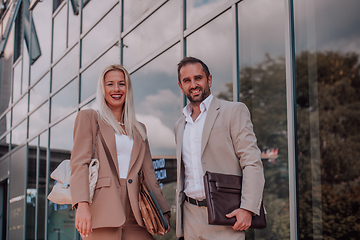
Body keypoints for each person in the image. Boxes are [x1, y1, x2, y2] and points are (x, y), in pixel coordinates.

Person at [70, 64, 171, 239]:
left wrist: (164, 211)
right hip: (102, 209)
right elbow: (79, 164)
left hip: (137, 212)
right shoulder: (89, 118)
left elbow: (149, 175)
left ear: (128, 88)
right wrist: (82, 205)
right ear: (102, 88)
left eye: (121, 84)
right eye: (110, 84)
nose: (116, 89)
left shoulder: (140, 129)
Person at [174, 57, 265, 240]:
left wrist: (247, 208)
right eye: (187, 80)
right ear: (181, 86)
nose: (193, 84)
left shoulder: (233, 111)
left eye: (198, 78)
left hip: (226, 215)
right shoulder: (180, 125)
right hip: (190, 217)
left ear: (209, 80)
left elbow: (252, 162)